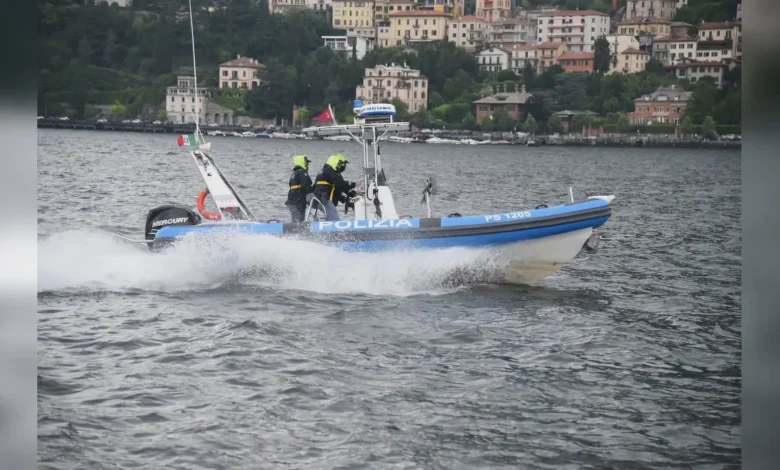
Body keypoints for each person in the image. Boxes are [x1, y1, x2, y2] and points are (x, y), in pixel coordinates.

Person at [312, 153, 358, 221]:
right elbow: (340, 184)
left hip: (324, 199)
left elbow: (340, 187)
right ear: (336, 163)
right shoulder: (328, 170)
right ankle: (334, 227)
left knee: (332, 216)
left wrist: (351, 195)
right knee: (334, 218)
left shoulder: (333, 173)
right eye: (342, 164)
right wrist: (355, 184)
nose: (343, 166)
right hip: (323, 199)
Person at [284, 154, 313, 223]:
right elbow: (306, 186)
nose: (308, 165)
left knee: (298, 221)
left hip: (295, 202)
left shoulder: (295, 173)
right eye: (306, 163)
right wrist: (314, 192)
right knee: (297, 222)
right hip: (296, 202)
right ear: (302, 162)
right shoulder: (302, 172)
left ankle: (294, 228)